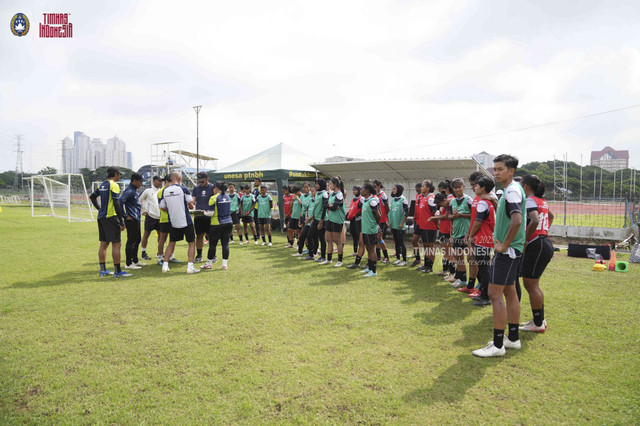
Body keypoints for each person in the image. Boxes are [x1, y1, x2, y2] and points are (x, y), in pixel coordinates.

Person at [472, 154, 526, 358]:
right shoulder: (512, 190)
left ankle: (497, 345)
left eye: (500, 169)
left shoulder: (512, 191)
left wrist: (504, 245)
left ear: (511, 171)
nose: (496, 173)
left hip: (508, 250)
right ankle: (512, 338)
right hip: (513, 249)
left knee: (495, 294)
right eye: (494, 169)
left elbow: (517, 220)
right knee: (510, 291)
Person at [520, 174, 554, 332]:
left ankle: (538, 323)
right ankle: (539, 320)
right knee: (533, 284)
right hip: (543, 242)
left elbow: (534, 220)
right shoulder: (542, 201)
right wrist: (544, 231)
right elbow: (551, 216)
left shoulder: (531, 200)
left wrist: (525, 240)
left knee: (531, 284)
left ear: (525, 186)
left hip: (537, 244)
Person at [89, 166, 130, 277]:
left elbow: (92, 197)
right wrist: (122, 222)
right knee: (116, 244)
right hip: (111, 217)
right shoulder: (114, 185)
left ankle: (103, 271)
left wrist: (100, 209)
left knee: (104, 244)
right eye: (119, 174)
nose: (120, 176)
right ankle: (117, 271)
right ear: (115, 174)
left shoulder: (103, 185)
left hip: (101, 217)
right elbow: (116, 204)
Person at [159, 172, 198, 274]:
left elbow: (162, 207)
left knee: (171, 243)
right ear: (180, 179)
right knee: (191, 243)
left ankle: (165, 265)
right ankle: (190, 267)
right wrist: (190, 206)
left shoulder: (165, 191)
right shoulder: (183, 189)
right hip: (186, 221)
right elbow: (190, 206)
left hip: (173, 221)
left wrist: (172, 209)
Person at [465, 176, 496, 305]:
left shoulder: (484, 202)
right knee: (483, 266)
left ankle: (486, 297)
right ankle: (483, 293)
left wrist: (471, 236)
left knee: (484, 268)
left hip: (483, 238)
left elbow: (478, 221)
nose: (474, 188)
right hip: (485, 237)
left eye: (477, 186)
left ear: (483, 188)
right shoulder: (488, 201)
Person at [446, 178, 473, 287]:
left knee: (470, 258)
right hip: (456, 232)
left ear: (464, 187)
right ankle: (461, 279)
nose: (457, 190)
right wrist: (452, 216)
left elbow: (474, 215)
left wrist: (461, 215)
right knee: (458, 257)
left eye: (459, 187)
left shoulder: (468, 200)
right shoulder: (452, 201)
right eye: (455, 188)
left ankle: (471, 281)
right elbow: (449, 217)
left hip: (466, 233)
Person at [203, 182, 233, 270]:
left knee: (212, 245)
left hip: (217, 224)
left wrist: (204, 212)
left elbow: (211, 213)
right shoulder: (227, 197)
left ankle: (208, 263)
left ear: (216, 188)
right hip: (228, 222)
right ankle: (224, 265)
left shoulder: (213, 198)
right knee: (225, 244)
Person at [120, 172, 145, 269]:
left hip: (136, 218)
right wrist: (125, 215)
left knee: (137, 239)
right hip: (131, 219)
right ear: (134, 181)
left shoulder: (134, 190)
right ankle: (128, 263)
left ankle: (135, 260)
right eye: (140, 181)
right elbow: (120, 201)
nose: (141, 184)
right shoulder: (129, 191)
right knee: (131, 240)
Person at [358, 182, 382, 277]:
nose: (361, 190)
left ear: (367, 191)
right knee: (368, 248)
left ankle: (374, 271)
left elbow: (378, 215)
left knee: (372, 249)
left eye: (362, 189)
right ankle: (370, 268)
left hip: (370, 230)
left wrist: (376, 225)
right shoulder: (365, 200)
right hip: (365, 229)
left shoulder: (372, 201)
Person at [156, 175, 180, 265]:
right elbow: (162, 207)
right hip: (165, 219)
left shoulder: (173, 190)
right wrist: (174, 209)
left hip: (173, 219)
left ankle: (171, 256)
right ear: (167, 181)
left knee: (173, 238)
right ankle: (160, 258)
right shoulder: (161, 191)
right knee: (162, 239)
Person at [323, 177, 346, 267]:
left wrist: (331, 206)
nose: (329, 185)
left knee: (337, 241)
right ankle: (329, 259)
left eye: (331, 184)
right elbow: (325, 205)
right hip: (330, 219)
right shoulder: (332, 194)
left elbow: (334, 207)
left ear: (335, 184)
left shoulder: (339, 195)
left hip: (337, 220)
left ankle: (340, 261)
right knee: (328, 239)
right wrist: (330, 205)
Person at [139, 175, 163, 261]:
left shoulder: (162, 191)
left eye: (161, 181)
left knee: (161, 235)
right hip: (150, 216)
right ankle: (143, 252)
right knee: (146, 234)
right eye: (159, 181)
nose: (160, 182)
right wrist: (143, 210)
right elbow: (139, 199)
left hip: (160, 217)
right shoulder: (147, 190)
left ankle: (159, 252)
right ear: (154, 181)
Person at [416, 179, 437, 273]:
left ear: (428, 188)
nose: (421, 188)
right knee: (425, 246)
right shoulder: (422, 197)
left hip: (429, 226)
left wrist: (436, 224)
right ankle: (426, 265)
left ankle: (430, 267)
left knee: (430, 246)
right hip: (423, 226)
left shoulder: (431, 199)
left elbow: (435, 213)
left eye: (423, 186)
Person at [193, 172, 214, 263]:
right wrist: (190, 204)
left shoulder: (212, 187)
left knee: (211, 236)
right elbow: (193, 201)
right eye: (199, 180)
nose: (201, 182)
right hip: (199, 215)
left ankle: (213, 255)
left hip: (209, 215)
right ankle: (199, 255)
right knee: (199, 235)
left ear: (207, 179)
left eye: (202, 180)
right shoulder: (196, 188)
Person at [307, 178, 328, 262]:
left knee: (322, 239)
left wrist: (321, 221)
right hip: (315, 219)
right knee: (309, 236)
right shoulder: (317, 194)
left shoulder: (324, 194)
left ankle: (323, 256)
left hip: (322, 220)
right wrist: (313, 217)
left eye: (317, 183)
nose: (316, 185)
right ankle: (311, 254)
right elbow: (316, 207)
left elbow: (324, 209)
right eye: (315, 183)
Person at [389, 184, 409, 266]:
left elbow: (407, 213)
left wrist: (402, 223)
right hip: (394, 225)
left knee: (401, 243)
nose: (393, 190)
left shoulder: (403, 200)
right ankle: (398, 258)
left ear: (399, 190)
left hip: (400, 226)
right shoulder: (393, 200)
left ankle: (404, 260)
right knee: (396, 242)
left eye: (394, 189)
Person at [373, 180, 390, 263]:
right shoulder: (375, 195)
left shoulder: (383, 195)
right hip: (377, 220)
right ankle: (378, 256)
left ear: (379, 186)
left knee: (379, 238)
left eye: (375, 186)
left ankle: (386, 257)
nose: (374, 188)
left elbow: (387, 208)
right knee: (377, 238)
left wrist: (386, 218)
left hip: (382, 220)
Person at [299, 184, 316, 259]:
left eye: (313, 191)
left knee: (312, 237)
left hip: (313, 221)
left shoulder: (317, 200)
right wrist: (306, 217)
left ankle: (313, 253)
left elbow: (317, 211)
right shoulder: (310, 200)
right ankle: (300, 252)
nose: (312, 192)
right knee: (302, 236)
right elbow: (306, 209)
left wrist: (310, 218)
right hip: (307, 220)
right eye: (311, 191)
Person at [346, 185, 362, 256]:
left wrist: (357, 214)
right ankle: (355, 251)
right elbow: (351, 208)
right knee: (353, 235)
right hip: (352, 219)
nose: (353, 191)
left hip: (358, 220)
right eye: (353, 190)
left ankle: (360, 251)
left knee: (359, 236)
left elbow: (362, 209)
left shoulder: (361, 199)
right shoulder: (353, 199)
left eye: (355, 190)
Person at [410, 182, 424, 267]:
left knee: (427, 243)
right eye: (416, 189)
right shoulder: (417, 196)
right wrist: (415, 217)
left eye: (419, 189)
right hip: (417, 222)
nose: (417, 190)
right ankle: (417, 258)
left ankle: (428, 262)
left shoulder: (427, 197)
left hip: (424, 222)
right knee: (414, 240)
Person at [288, 185, 303, 253]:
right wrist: (292, 200)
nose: (294, 194)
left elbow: (302, 205)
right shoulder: (293, 197)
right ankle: (291, 243)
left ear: (299, 191)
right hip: (293, 216)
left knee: (298, 231)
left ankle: (299, 244)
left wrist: (297, 198)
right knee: (290, 229)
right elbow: (290, 206)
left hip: (298, 216)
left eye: (295, 192)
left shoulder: (302, 196)